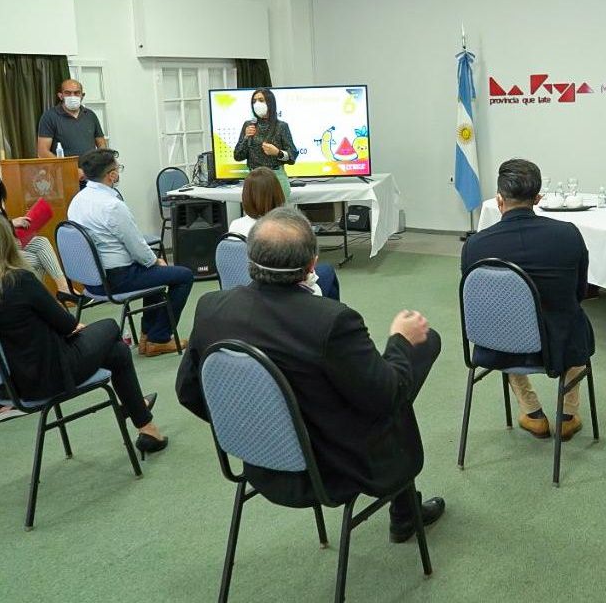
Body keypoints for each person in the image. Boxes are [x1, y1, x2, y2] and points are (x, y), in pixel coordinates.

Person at [176, 206, 445, 542]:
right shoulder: (332, 321)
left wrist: (257, 430)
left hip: (256, 462)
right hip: (329, 470)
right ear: (312, 265)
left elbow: (188, 391)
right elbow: (387, 396)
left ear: (249, 259)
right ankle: (405, 512)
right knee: (417, 354)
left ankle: (406, 508)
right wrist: (400, 340)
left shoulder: (210, 308)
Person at [0, 212, 167, 452]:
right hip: (44, 377)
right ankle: (139, 413)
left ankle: (145, 423)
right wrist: (72, 328)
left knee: (117, 353)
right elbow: (67, 325)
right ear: (4, 242)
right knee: (111, 328)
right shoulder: (18, 280)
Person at [461, 158, 595, 441]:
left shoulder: (475, 245)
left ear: (499, 200)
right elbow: (579, 293)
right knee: (576, 320)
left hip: (497, 345)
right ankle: (567, 416)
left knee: (504, 320)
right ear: (538, 199)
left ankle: (532, 412)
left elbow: (476, 304)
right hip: (559, 345)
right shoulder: (568, 235)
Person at [67, 149, 193, 357]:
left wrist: (150, 262)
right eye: (118, 168)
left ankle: (147, 337)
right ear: (111, 175)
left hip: (91, 280)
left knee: (152, 271)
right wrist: (155, 261)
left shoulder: (77, 201)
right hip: (117, 278)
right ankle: (159, 339)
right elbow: (137, 247)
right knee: (183, 276)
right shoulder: (112, 206)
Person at [0, 153, 70, 299]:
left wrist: (13, 225)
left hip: (2, 244)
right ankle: (37, 300)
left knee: (41, 242)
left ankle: (64, 289)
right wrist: (11, 223)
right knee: (36, 261)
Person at [228, 167, 340, 300]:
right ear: (277, 193)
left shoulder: (234, 226)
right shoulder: (287, 227)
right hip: (284, 292)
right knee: (327, 271)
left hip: (245, 292)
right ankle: (329, 311)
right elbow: (304, 275)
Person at [233, 88, 296, 196]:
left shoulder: (281, 126)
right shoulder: (249, 125)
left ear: (270, 102)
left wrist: (278, 153)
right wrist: (246, 138)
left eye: (261, 100)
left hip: (276, 177)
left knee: (278, 208)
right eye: (254, 101)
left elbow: (292, 157)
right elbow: (238, 156)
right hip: (255, 178)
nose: (257, 104)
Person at [35, 79, 107, 160]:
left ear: (82, 96)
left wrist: (102, 162)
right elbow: (43, 153)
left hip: (90, 167)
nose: (72, 96)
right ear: (60, 96)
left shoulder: (90, 115)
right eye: (67, 93)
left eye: (77, 93)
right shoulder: (49, 117)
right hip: (64, 167)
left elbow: (101, 144)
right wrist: (68, 166)